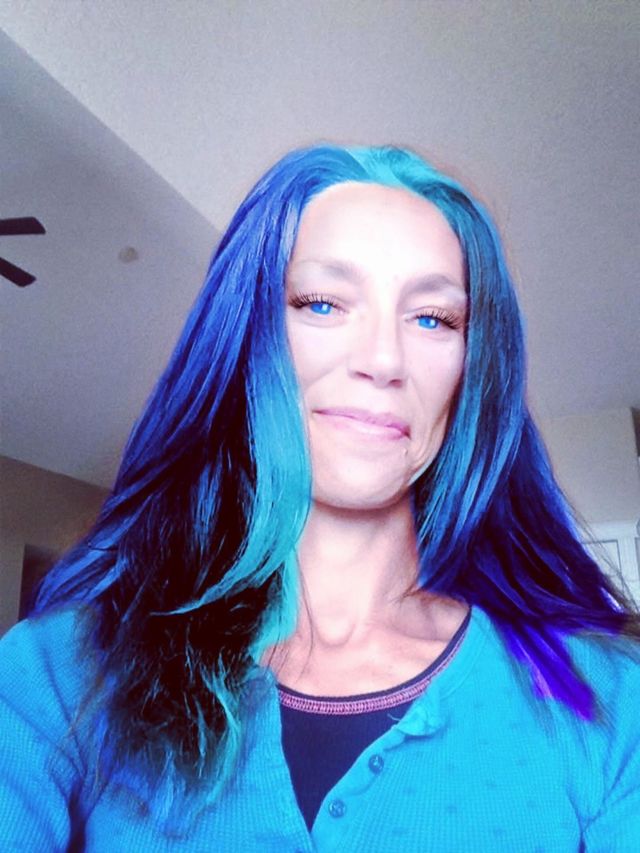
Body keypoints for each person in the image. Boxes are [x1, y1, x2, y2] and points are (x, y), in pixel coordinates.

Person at [1, 144, 639, 851]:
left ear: (474, 367)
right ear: (248, 339)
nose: (383, 360)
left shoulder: (611, 704)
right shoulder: (60, 675)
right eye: (323, 303)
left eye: (433, 318)